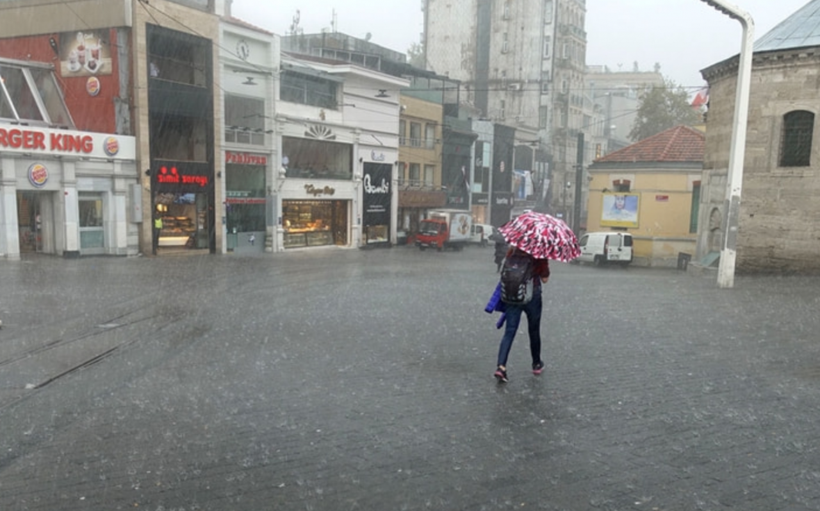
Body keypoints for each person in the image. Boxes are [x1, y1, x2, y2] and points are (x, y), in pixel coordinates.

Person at [494, 248, 550, 383]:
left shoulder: (511, 251)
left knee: (509, 332)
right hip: (532, 295)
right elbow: (545, 279)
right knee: (534, 329)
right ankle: (536, 363)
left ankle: (501, 367)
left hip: (512, 294)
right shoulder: (539, 253)